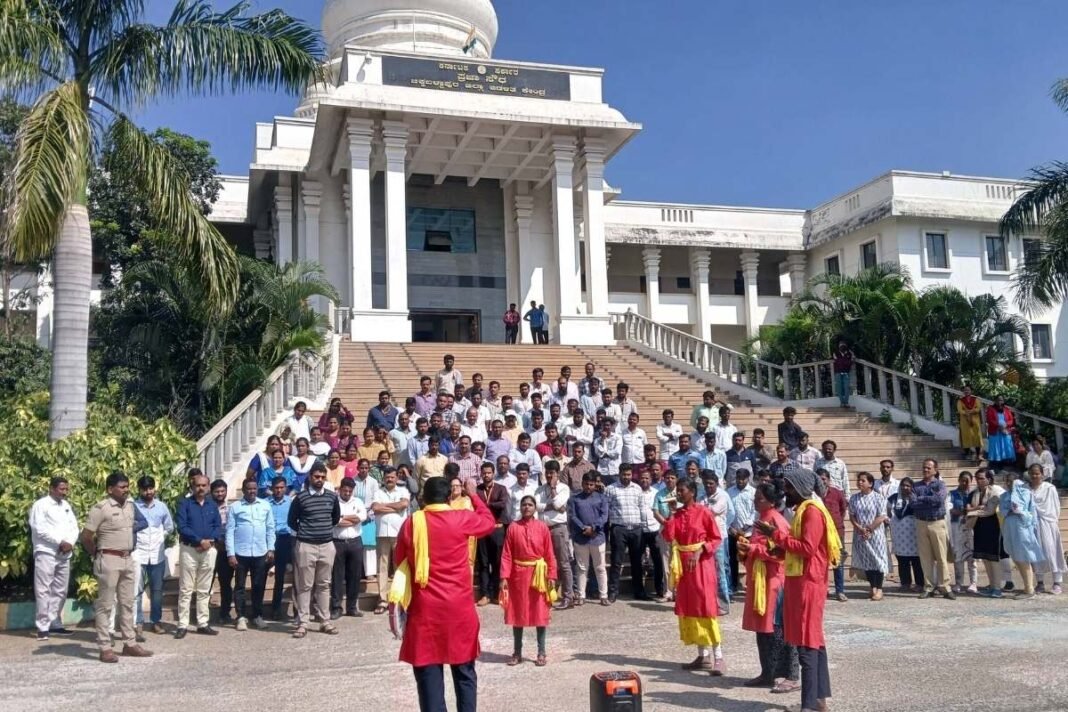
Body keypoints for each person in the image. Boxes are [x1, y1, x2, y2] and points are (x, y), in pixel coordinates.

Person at [389, 477, 496, 712]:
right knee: (464, 672)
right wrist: (473, 495)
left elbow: (400, 561)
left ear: (423, 499)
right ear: (450, 497)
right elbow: (488, 522)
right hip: (459, 609)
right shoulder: (461, 518)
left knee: (428, 676)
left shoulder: (412, 522)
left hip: (425, 611)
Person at [755, 467, 841, 712]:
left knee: (807, 645)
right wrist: (778, 549)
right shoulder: (804, 510)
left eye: (790, 488)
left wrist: (777, 536)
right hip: (801, 581)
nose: (786, 492)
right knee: (815, 642)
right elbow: (799, 549)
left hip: (808, 585)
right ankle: (818, 701)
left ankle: (808, 706)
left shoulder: (812, 512)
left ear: (802, 489)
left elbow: (807, 548)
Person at [80, 472, 152, 663]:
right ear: (110, 489)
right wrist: (96, 554)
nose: (126, 490)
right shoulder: (101, 508)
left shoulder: (130, 506)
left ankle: (129, 643)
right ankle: (105, 647)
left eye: (127, 486)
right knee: (105, 604)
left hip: (128, 558)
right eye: (122, 487)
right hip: (109, 559)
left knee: (128, 602)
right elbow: (86, 536)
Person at [663, 477, 726, 675]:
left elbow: (716, 538)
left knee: (706, 607)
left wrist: (700, 551)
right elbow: (668, 536)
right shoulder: (679, 513)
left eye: (681, 490)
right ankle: (703, 654)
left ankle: (719, 655)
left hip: (701, 565)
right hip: (683, 566)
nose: (678, 493)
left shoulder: (704, 512)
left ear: (692, 492)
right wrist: (672, 513)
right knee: (690, 607)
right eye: (678, 490)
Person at [740, 482, 797, 692]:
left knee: (778, 628)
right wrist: (745, 550)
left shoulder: (777, 521)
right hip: (759, 578)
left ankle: (791, 675)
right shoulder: (760, 520)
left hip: (774, 580)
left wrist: (753, 548)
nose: (755, 500)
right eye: (755, 496)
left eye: (760, 497)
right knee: (762, 628)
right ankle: (768, 672)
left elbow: (782, 552)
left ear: (772, 501)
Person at [501, 494, 558, 666]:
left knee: (539, 614)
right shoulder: (513, 527)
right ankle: (517, 652)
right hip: (518, 577)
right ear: (520, 507)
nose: (527, 507)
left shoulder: (542, 527)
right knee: (517, 614)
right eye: (524, 505)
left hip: (538, 577)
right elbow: (506, 555)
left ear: (535, 508)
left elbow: (549, 554)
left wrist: (552, 576)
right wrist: (504, 577)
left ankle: (541, 652)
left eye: (530, 505)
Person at [288, 462, 342, 637]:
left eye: (322, 477)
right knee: (304, 586)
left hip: (326, 545)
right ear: (310, 477)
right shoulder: (300, 498)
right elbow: (291, 521)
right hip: (306, 545)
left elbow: (334, 518)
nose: (319, 480)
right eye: (316, 476)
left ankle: (324, 621)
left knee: (324, 585)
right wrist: (308, 532)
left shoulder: (332, 497)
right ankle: (303, 622)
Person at [29, 476, 80, 641]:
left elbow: (74, 527)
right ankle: (43, 627)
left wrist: (70, 543)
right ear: (51, 488)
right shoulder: (41, 505)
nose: (64, 492)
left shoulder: (66, 505)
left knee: (60, 590)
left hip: (64, 554)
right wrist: (60, 542)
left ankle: (55, 624)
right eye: (61, 489)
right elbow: (39, 529)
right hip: (46, 552)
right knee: (43, 589)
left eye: (66, 489)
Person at [175, 473, 222, 639]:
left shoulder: (212, 505)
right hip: (190, 550)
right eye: (198, 485)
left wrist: (209, 541)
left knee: (204, 589)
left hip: (209, 550)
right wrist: (199, 540)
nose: (201, 488)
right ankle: (183, 625)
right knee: (186, 589)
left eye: (204, 485)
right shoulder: (185, 504)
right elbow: (182, 526)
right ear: (192, 486)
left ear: (208, 487)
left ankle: (203, 623)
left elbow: (218, 526)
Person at [226, 478, 275, 631]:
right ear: (243, 489)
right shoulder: (235, 507)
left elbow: (270, 528)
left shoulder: (265, 505)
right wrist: (230, 553)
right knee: (240, 586)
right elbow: (229, 531)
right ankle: (241, 616)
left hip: (260, 552)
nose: (252, 491)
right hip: (241, 552)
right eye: (249, 489)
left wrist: (271, 548)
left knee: (259, 585)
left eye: (254, 488)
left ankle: (257, 616)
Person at [132, 476, 173, 640]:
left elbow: (170, 527)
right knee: (137, 590)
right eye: (144, 489)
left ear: (154, 489)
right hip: (138, 554)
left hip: (157, 554)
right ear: (139, 490)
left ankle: (156, 621)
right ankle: (138, 622)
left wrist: (160, 536)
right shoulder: (133, 507)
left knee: (157, 591)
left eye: (150, 489)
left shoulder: (162, 507)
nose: (148, 492)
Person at [912, 458, 954, 599]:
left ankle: (945, 586)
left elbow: (939, 500)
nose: (926, 470)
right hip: (921, 522)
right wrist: (928, 498)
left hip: (937, 522)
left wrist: (922, 498)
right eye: (924, 467)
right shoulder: (916, 486)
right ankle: (929, 586)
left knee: (941, 556)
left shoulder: (940, 484)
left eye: (929, 468)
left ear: (935, 469)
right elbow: (913, 503)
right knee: (925, 557)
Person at [999, 475, 1046, 600]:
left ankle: (1029, 588)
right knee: (1015, 557)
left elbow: (1030, 512)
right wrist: (1010, 510)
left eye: (1010, 480)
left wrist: (1020, 511)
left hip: (1022, 527)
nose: (1008, 483)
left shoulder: (1025, 493)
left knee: (1023, 556)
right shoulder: (1004, 496)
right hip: (1010, 526)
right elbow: (1002, 510)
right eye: (1006, 480)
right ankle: (1026, 586)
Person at [606, 464, 648, 602]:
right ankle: (613, 592)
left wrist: (644, 527)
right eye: (624, 475)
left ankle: (639, 592)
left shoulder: (637, 488)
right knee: (616, 562)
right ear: (619, 474)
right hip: (619, 529)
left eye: (629, 474)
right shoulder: (611, 489)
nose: (626, 477)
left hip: (636, 529)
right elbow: (606, 510)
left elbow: (642, 508)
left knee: (637, 562)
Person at [372, 468, 411, 614]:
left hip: (398, 534)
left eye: (392, 477)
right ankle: (382, 600)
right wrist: (395, 508)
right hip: (382, 533)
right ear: (383, 478)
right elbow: (375, 508)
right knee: (382, 567)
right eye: (387, 477)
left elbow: (404, 505)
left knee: (399, 567)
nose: (390, 479)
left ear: (396, 478)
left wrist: (385, 507)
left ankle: (398, 598)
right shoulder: (378, 492)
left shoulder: (403, 491)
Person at [568, 472, 610, 606]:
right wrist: (583, 528)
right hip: (581, 537)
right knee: (581, 567)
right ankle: (581, 595)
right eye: (586, 484)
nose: (588, 487)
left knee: (600, 567)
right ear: (582, 483)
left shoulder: (602, 498)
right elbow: (572, 516)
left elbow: (604, 516)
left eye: (591, 484)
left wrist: (593, 528)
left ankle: (603, 595)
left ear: (595, 484)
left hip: (597, 537)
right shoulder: (575, 499)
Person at [536, 463, 574, 609]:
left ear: (558, 473)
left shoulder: (563, 488)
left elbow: (558, 504)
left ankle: (568, 597)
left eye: (552, 473)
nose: (549, 476)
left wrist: (552, 489)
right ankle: (548, 595)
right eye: (547, 473)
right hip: (543, 529)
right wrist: (551, 505)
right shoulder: (539, 489)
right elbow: (536, 505)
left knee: (563, 563)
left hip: (558, 528)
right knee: (545, 563)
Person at [847, 472, 889, 600]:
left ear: (870, 483)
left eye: (863, 480)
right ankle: (873, 587)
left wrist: (869, 529)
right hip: (860, 534)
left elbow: (882, 516)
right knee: (867, 561)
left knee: (878, 561)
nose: (860, 482)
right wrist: (860, 528)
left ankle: (880, 588)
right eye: (859, 480)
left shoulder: (878, 497)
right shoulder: (854, 498)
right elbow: (852, 515)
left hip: (876, 534)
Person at [969, 469, 1010, 598]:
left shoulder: (996, 491)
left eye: (981, 478)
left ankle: (997, 588)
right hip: (980, 527)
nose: (979, 481)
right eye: (977, 478)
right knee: (985, 559)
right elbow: (969, 506)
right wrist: (973, 510)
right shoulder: (975, 492)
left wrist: (971, 512)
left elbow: (989, 511)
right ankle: (992, 585)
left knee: (993, 558)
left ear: (989, 479)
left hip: (994, 528)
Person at [330, 476, 368, 618]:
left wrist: (342, 518)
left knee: (355, 575)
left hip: (355, 542)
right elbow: (334, 521)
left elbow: (360, 518)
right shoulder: (334, 501)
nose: (347, 493)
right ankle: (336, 608)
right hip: (337, 542)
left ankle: (352, 607)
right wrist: (350, 519)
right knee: (337, 576)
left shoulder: (358, 501)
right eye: (345, 490)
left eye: (349, 491)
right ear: (340, 489)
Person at [475, 462, 511, 606]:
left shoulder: (501, 489)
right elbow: (473, 504)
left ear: (493, 473)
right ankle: (485, 594)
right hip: (482, 530)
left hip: (497, 529)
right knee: (484, 563)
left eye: (489, 473)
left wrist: (484, 505)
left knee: (497, 563)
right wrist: (486, 505)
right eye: (484, 473)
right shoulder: (478, 489)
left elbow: (502, 504)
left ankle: (497, 593)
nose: (486, 475)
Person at [1027, 464, 1065, 594]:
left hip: (1048, 523)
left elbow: (1055, 506)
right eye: (1032, 473)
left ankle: (1057, 582)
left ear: (1042, 474)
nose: (1035, 476)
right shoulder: (1027, 489)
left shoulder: (1050, 488)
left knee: (1052, 552)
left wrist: (1052, 522)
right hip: (1033, 524)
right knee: (1036, 554)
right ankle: (1040, 582)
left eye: (1037, 473)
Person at [887, 478, 924, 592]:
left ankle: (920, 584)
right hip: (899, 535)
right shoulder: (893, 498)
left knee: (916, 560)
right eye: (903, 485)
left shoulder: (916, 497)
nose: (905, 488)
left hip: (913, 534)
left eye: (908, 486)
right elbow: (888, 510)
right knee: (902, 559)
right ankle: (905, 583)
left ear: (912, 487)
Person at [265, 477, 294, 619]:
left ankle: (276, 609)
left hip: (284, 539)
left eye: (281, 487)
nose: (278, 490)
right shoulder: (264, 503)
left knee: (280, 577)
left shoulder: (291, 502)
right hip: (266, 539)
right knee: (261, 575)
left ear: (286, 487)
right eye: (276, 488)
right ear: (271, 488)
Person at [817, 469, 848, 602]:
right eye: (819, 479)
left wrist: (834, 523)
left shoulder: (837, 493)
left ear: (828, 480)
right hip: (819, 532)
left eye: (824, 479)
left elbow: (842, 509)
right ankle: (822, 590)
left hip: (836, 531)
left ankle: (840, 591)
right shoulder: (813, 495)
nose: (822, 481)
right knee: (820, 561)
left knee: (838, 561)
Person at [638, 469, 667, 601]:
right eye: (642, 478)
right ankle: (639, 590)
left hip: (655, 529)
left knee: (658, 561)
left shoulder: (657, 493)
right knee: (638, 561)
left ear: (651, 480)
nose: (645, 480)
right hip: (640, 530)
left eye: (647, 478)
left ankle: (659, 589)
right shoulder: (636, 493)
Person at [949, 472, 977, 594]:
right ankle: (959, 583)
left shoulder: (974, 494)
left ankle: (973, 583)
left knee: (972, 556)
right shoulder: (952, 494)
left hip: (971, 527)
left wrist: (970, 510)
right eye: (963, 480)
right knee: (958, 556)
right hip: (957, 527)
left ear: (971, 481)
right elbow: (950, 509)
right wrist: (964, 511)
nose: (965, 483)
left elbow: (979, 507)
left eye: (967, 481)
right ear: (959, 480)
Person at [985, 396, 1016, 473]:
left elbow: (1011, 420)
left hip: (1005, 431)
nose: (1000, 401)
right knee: (995, 449)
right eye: (998, 400)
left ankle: (1002, 467)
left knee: (1004, 449)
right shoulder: (990, 409)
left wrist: (1005, 425)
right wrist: (999, 426)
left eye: (1001, 400)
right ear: (995, 401)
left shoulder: (1006, 409)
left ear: (1003, 401)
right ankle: (994, 466)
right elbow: (989, 419)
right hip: (995, 431)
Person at [956, 386, 983, 460]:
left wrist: (971, 411)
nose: (966, 391)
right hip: (965, 421)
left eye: (968, 390)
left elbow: (978, 408)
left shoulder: (976, 399)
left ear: (971, 391)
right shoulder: (960, 401)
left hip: (975, 421)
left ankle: (978, 455)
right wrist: (966, 413)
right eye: (965, 390)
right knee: (966, 437)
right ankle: (967, 454)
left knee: (977, 437)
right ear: (963, 392)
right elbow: (959, 410)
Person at [832, 341, 854, 407]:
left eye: (843, 344)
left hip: (846, 373)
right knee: (839, 388)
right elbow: (844, 362)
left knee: (847, 388)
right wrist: (845, 361)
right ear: (838, 346)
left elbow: (850, 362)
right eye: (841, 344)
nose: (842, 346)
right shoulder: (835, 353)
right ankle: (842, 402)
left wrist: (839, 360)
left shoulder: (849, 353)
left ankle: (846, 402)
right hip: (838, 373)